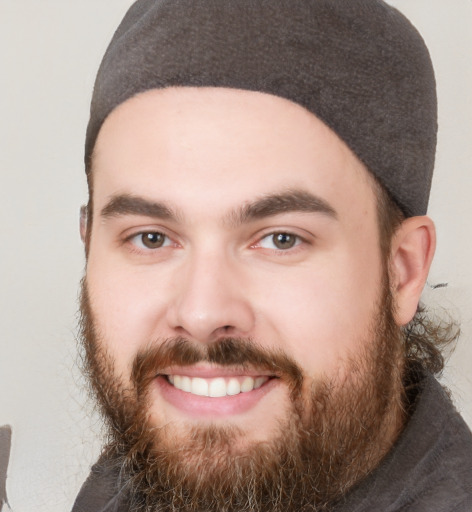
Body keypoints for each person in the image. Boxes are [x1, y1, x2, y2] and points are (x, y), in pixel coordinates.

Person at [72, 1, 472, 510]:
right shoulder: (127, 482)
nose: (201, 313)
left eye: (281, 239)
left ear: (403, 272)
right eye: (151, 238)